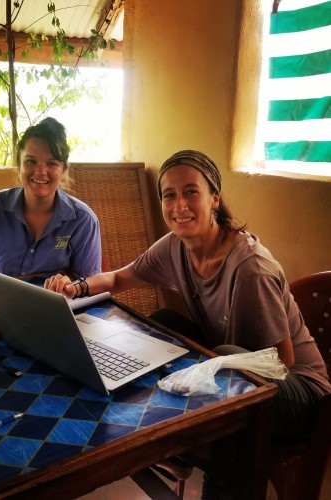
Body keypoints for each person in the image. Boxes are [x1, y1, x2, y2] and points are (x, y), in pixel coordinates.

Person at [45, 149, 331, 499]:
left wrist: (216, 366)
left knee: (224, 362)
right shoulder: (175, 247)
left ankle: (217, 479)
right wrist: (76, 288)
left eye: (190, 192)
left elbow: (283, 361)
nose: (179, 205)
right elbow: (121, 278)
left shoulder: (250, 268)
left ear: (214, 199)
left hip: (300, 395)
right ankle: (178, 450)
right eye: (169, 195)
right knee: (164, 323)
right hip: (240, 367)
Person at [0, 117, 102, 278]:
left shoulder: (83, 220)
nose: (40, 171)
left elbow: (88, 285)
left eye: (52, 163)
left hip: (61, 303)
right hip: (1, 303)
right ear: (19, 164)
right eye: (31, 161)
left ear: (64, 170)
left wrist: (69, 287)